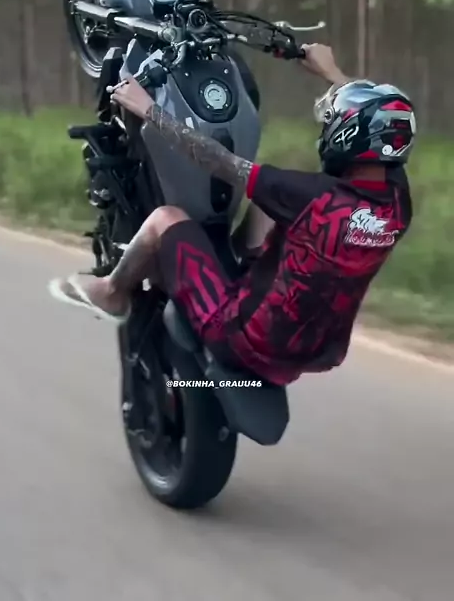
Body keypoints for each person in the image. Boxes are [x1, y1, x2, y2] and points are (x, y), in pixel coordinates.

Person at [50, 44, 415, 386]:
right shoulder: (397, 204)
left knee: (166, 218)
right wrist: (332, 73)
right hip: (316, 351)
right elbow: (377, 125)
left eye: (332, 121)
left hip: (243, 340)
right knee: (270, 201)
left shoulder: (310, 196)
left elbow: (219, 161)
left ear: (346, 135)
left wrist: (148, 109)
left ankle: (112, 292)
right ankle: (232, 263)